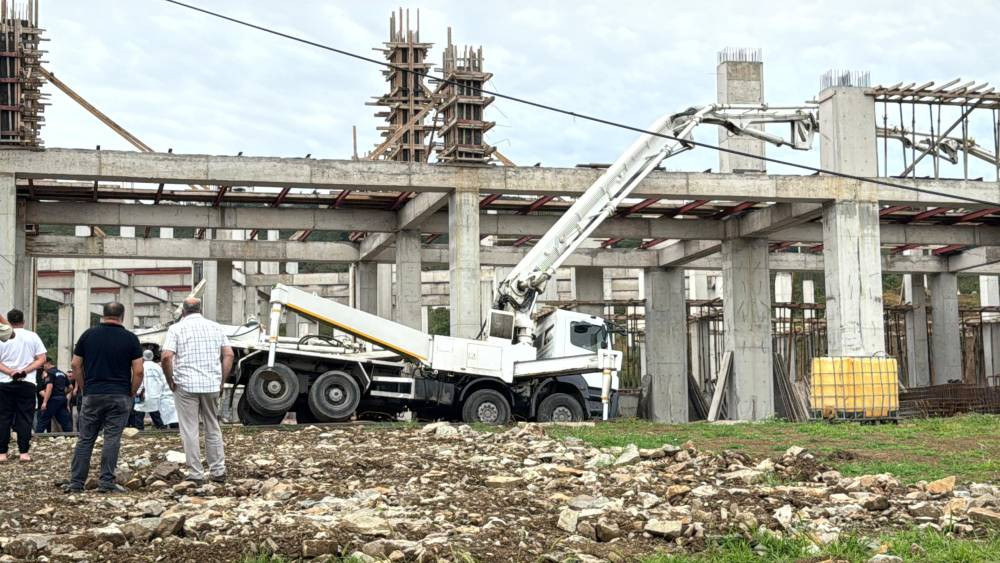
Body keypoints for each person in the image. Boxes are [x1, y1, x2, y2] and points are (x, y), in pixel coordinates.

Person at [65, 302, 144, 493]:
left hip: (93, 393)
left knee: (85, 438)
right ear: (122, 316)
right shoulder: (131, 338)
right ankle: (106, 482)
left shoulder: (88, 335)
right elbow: (139, 371)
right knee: (112, 438)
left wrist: (84, 387)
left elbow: (75, 365)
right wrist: (131, 392)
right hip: (119, 394)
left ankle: (76, 483)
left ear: (103, 315)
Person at [162, 298, 233, 484]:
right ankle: (218, 470)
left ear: (183, 311)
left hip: (185, 385)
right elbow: (229, 354)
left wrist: (170, 380)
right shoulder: (216, 327)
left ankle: (196, 473)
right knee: (213, 426)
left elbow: (167, 357)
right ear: (200, 309)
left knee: (189, 429)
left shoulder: (176, 329)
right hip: (211, 384)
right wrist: (221, 380)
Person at [0, 309, 47, 462]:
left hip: (4, 381)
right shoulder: (32, 336)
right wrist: (24, 371)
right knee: (25, 418)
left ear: (7, 320)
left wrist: (10, 371)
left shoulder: (2, 336)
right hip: (27, 382)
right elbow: (41, 359)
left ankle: (2, 454)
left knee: (3, 418)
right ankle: (24, 453)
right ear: (23, 321)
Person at [135, 350, 175, 429]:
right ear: (152, 356)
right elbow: (164, 381)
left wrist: (137, 392)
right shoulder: (158, 367)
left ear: (143, 357)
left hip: (143, 394)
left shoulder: (141, 366)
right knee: (157, 415)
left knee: (139, 414)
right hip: (156, 395)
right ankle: (162, 430)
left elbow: (139, 380)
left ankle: (140, 432)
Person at [36, 359, 72, 433]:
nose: (43, 367)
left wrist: (45, 402)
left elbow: (49, 387)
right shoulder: (62, 373)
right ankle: (70, 436)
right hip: (62, 399)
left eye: (43, 365)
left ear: (48, 363)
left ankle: (37, 436)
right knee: (65, 420)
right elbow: (71, 387)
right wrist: (63, 393)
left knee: (43, 419)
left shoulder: (50, 373)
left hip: (52, 399)